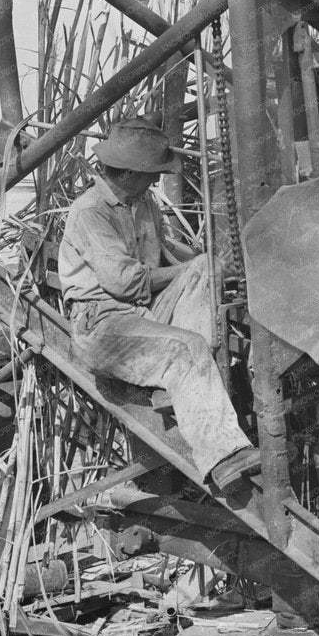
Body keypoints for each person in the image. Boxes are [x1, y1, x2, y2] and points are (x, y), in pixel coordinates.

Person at [58, 118, 258, 493]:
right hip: (102, 327)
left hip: (142, 313)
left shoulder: (142, 202)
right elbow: (125, 281)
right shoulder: (91, 212)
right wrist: (196, 267)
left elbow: (165, 255)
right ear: (132, 173)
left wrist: (211, 263)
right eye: (152, 175)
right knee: (189, 346)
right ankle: (222, 458)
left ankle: (191, 378)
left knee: (203, 272)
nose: (155, 182)